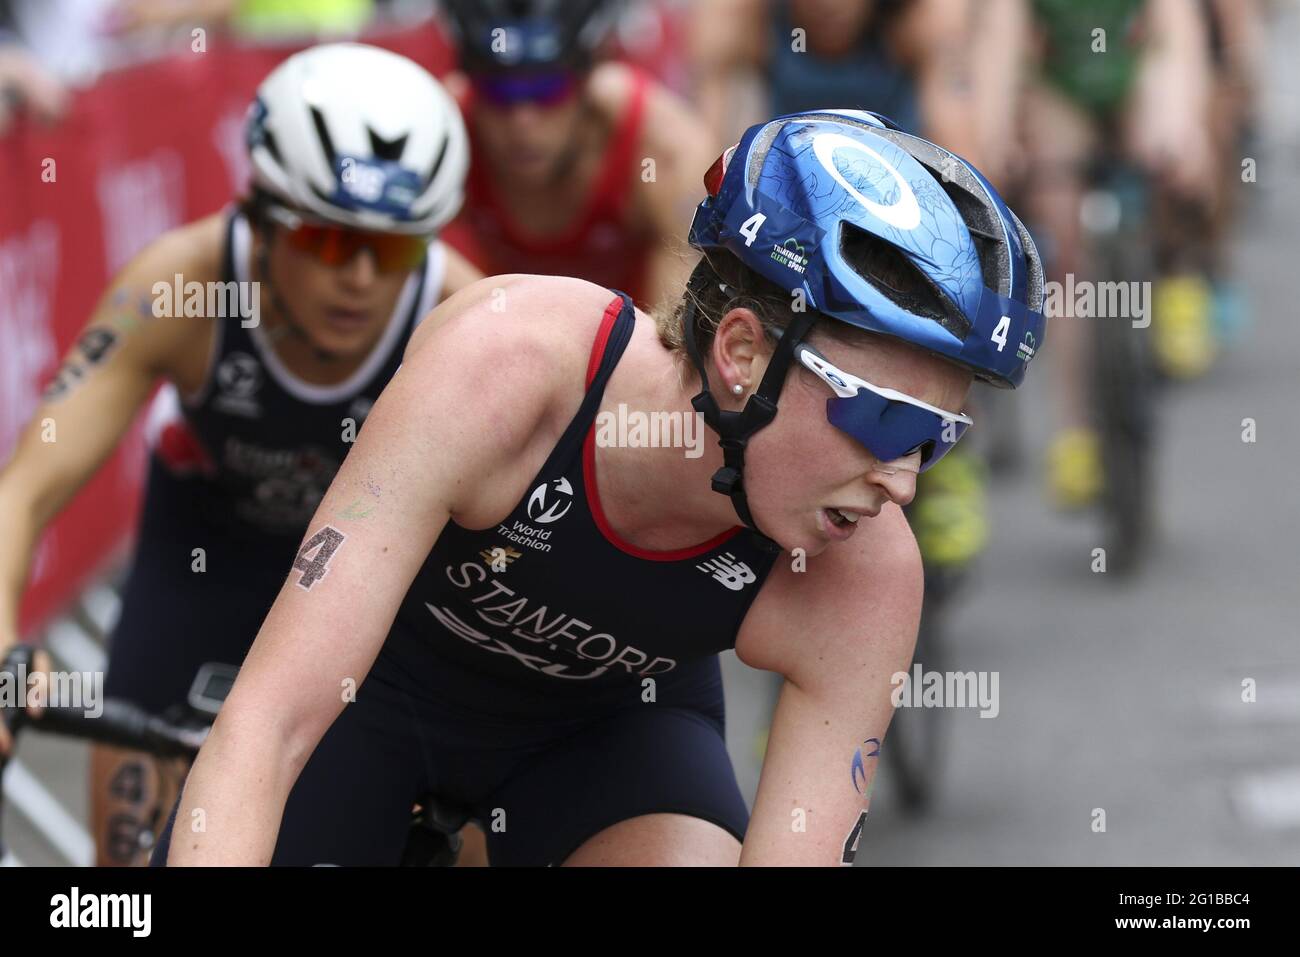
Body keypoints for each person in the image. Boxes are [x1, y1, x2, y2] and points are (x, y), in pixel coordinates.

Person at [157, 108, 1046, 866]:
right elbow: (264, 729)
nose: (903, 481)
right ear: (741, 353)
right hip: (370, 711)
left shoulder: (868, 572)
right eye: (887, 420)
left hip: (609, 748)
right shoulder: (509, 368)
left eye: (939, 438)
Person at [0, 41, 476, 865]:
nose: (360, 277)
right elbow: (25, 489)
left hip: (378, 578)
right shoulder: (181, 286)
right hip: (205, 559)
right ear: (260, 213)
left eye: (395, 249)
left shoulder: (463, 316)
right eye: (327, 241)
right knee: (134, 870)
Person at [436, 0, 718, 309]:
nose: (522, 122)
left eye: (547, 87)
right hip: (496, 334)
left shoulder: (663, 150)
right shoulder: (441, 132)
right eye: (497, 91)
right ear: (469, 87)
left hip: (633, 346)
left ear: (588, 80)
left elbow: (676, 334)